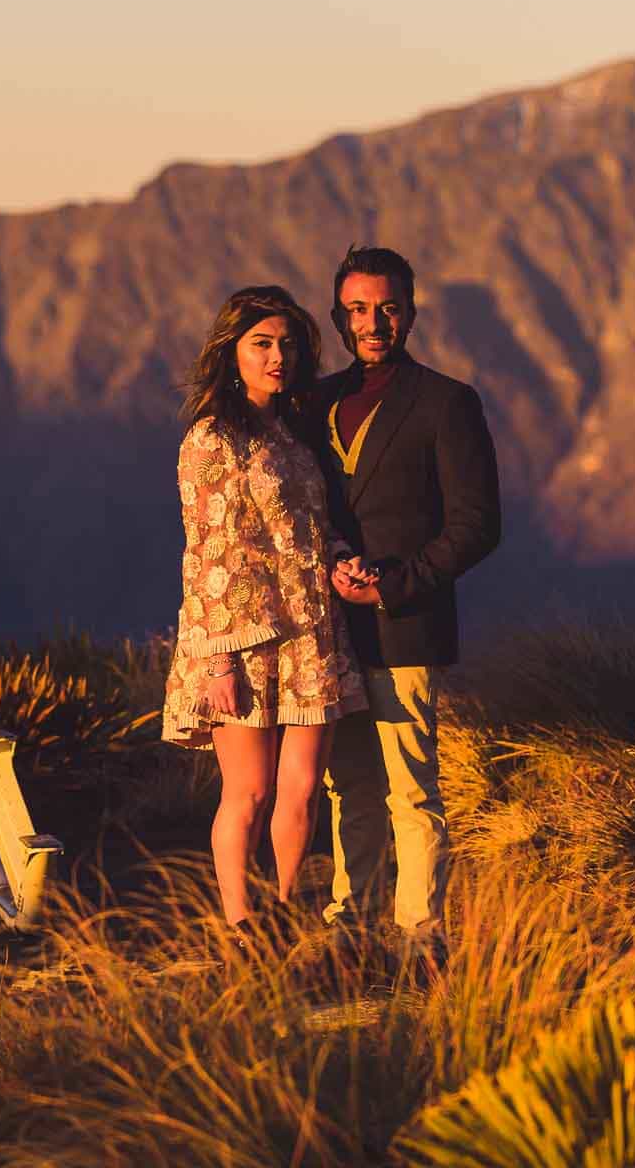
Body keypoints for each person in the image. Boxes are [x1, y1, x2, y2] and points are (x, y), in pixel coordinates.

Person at [307, 246, 501, 969]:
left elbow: (477, 525)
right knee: (346, 786)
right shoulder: (314, 403)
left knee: (410, 791)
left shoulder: (447, 404)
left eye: (387, 307)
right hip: (326, 635)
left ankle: (421, 937)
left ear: (411, 311)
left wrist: (394, 584)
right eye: (357, 309)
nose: (373, 322)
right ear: (337, 316)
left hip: (404, 627)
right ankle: (348, 931)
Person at [161, 285, 368, 927]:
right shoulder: (211, 437)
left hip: (312, 631)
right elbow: (207, 550)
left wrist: (340, 560)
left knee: (302, 788)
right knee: (248, 790)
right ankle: (238, 923)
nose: (278, 356)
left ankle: (282, 913)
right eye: (262, 344)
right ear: (232, 352)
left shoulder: (294, 434)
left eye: (287, 344)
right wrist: (217, 659)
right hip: (242, 637)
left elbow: (311, 525)